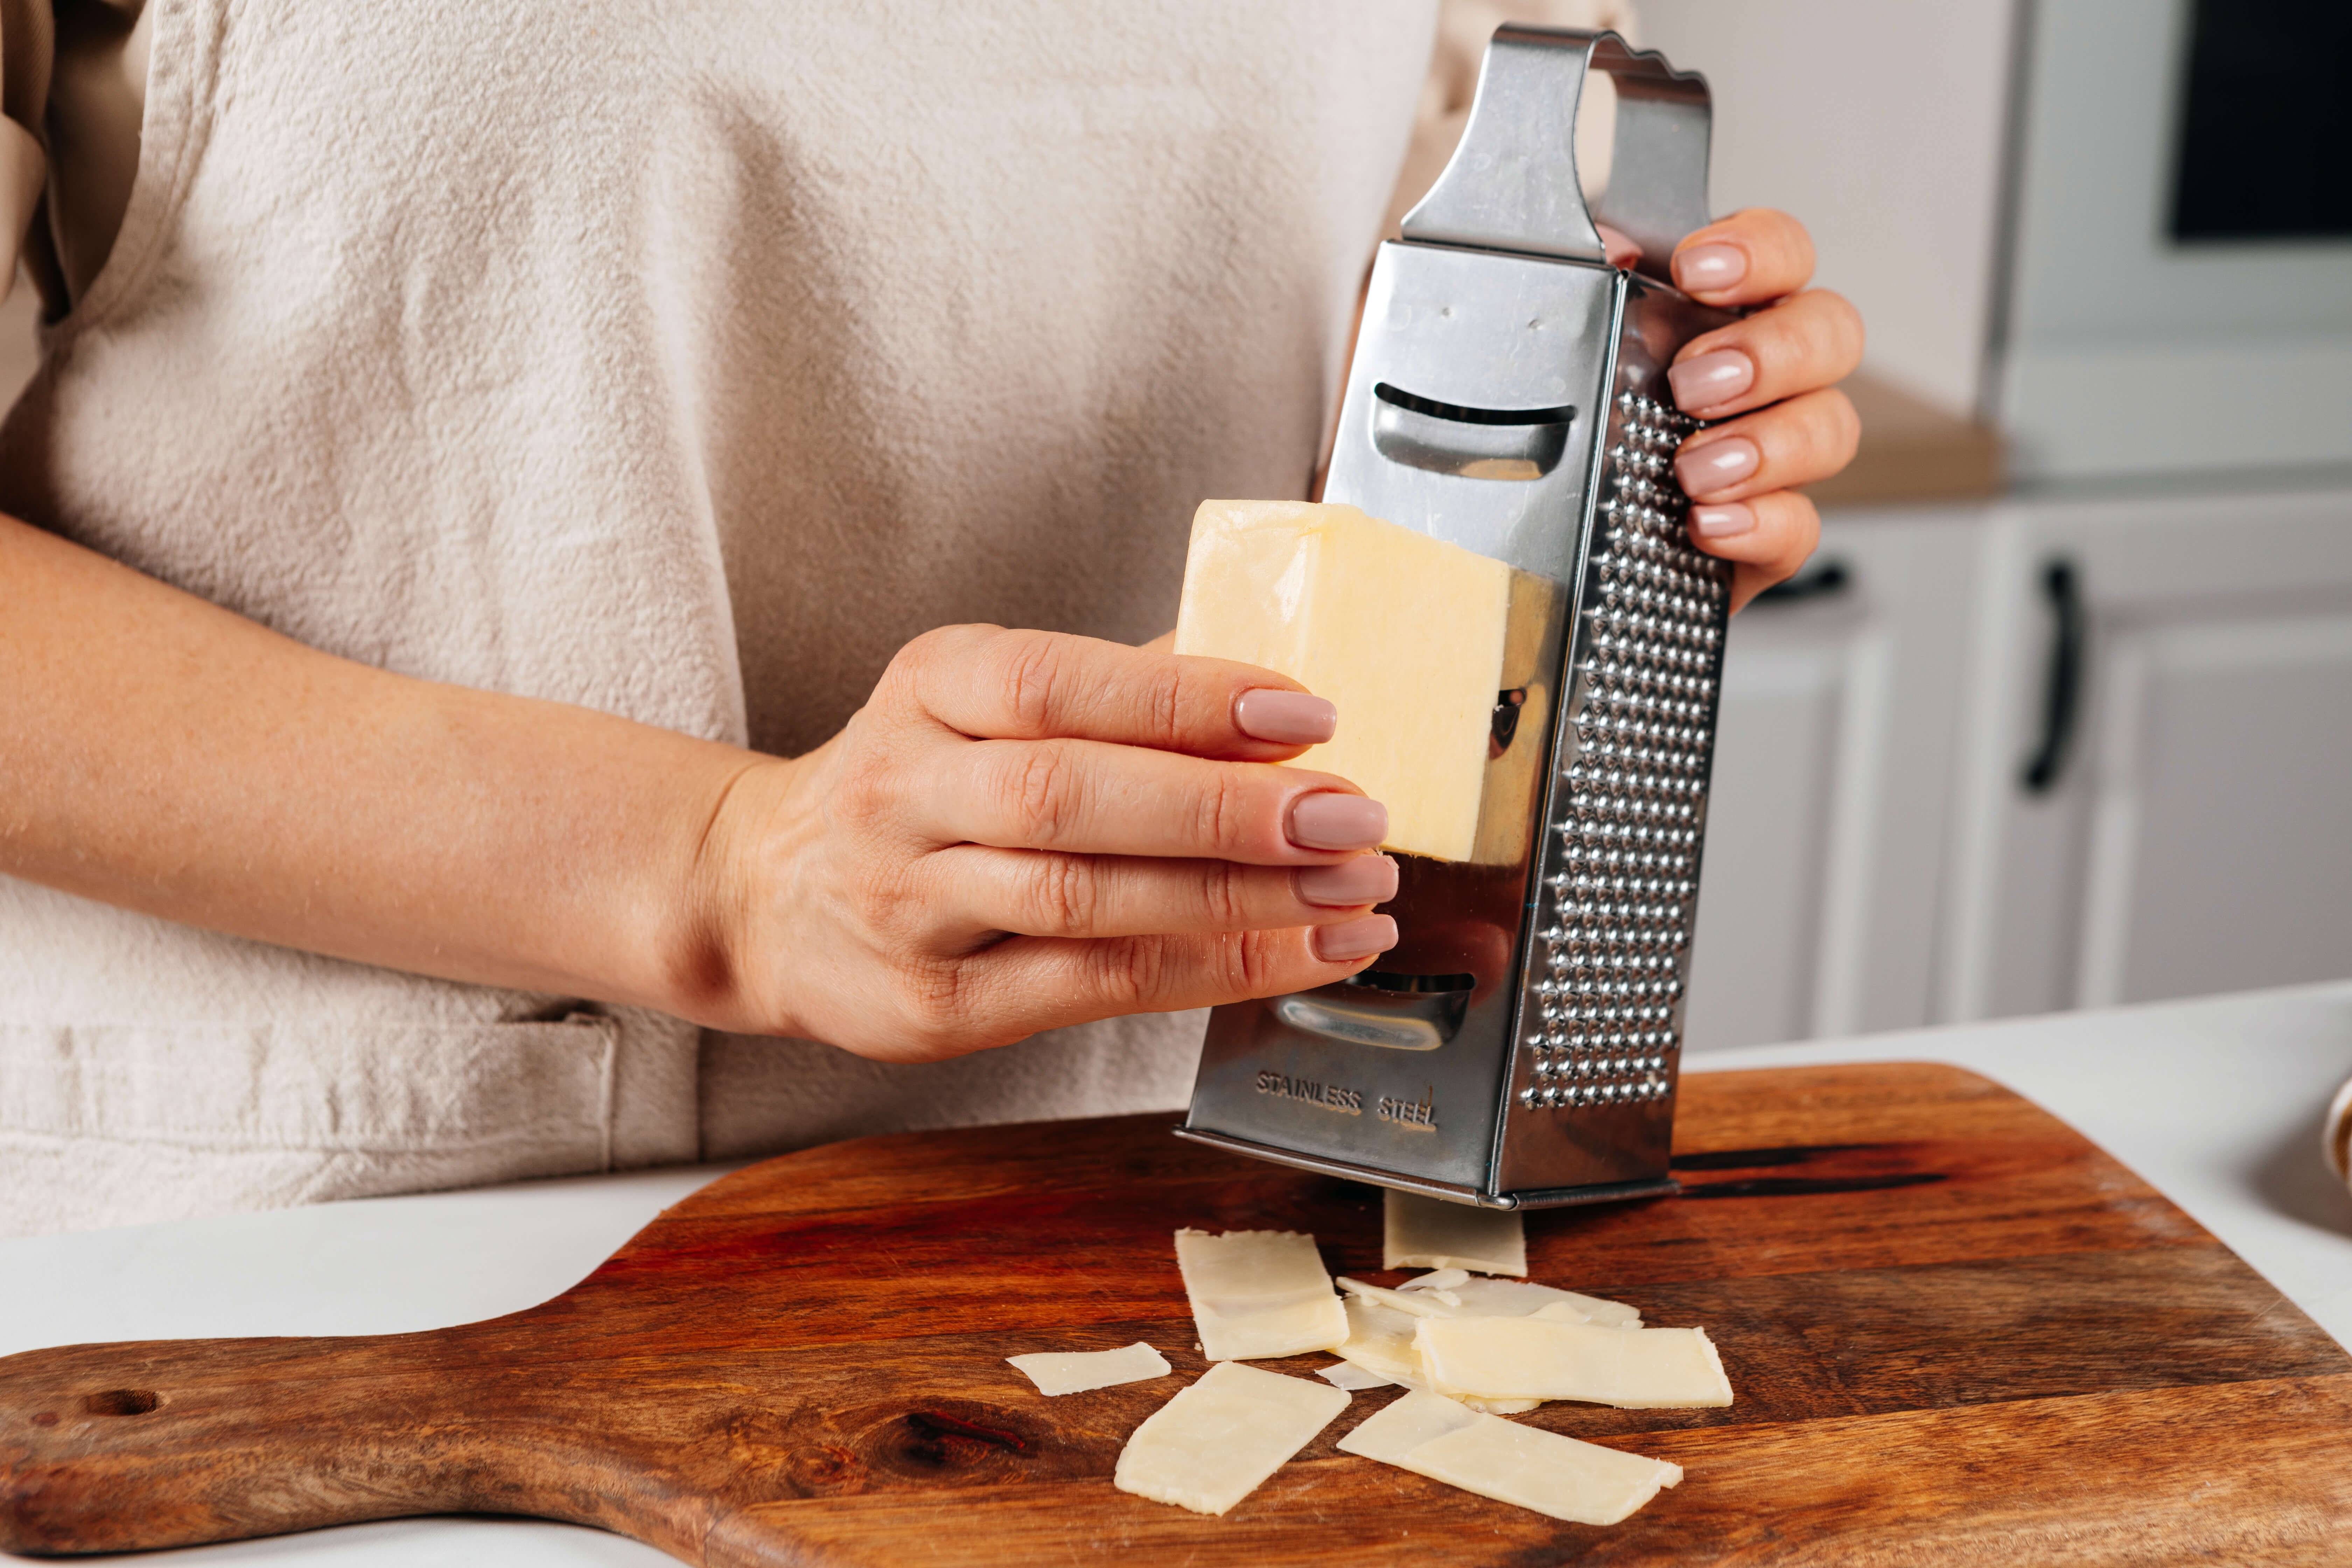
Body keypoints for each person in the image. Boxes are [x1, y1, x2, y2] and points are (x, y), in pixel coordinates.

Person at [0, 0, 1862, 1234]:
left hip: (1164, 1223)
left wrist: (1635, 473)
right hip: (336, 1262)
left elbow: (1417, 404)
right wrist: (724, 870)